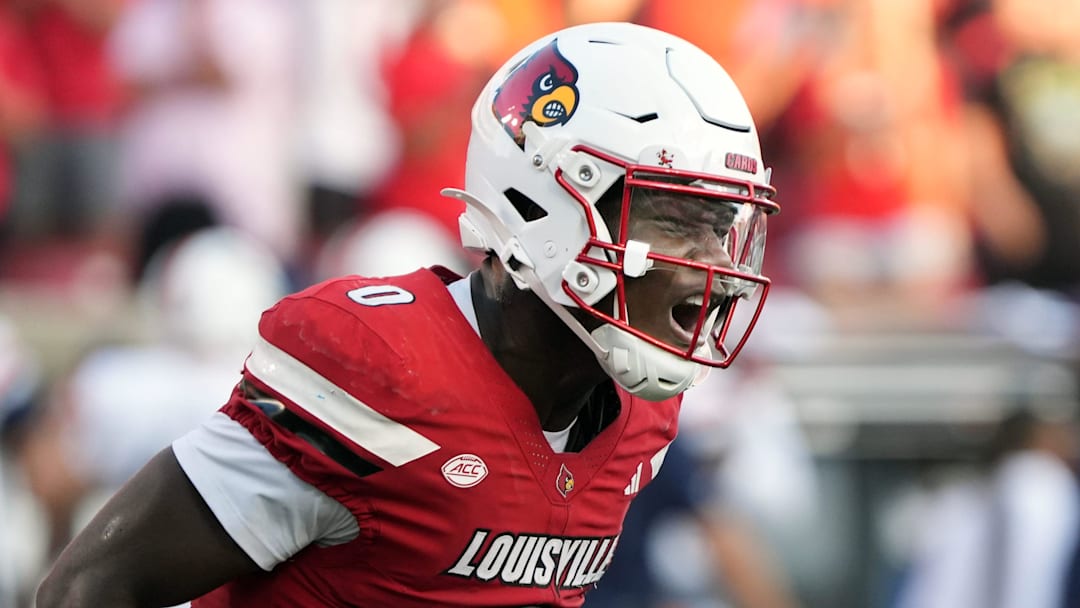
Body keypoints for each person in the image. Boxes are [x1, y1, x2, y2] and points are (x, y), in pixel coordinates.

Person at [36, 21, 781, 607]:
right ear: (548, 198)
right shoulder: (377, 371)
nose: (711, 266)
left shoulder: (638, 418)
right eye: (678, 218)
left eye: (724, 228)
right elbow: (90, 588)